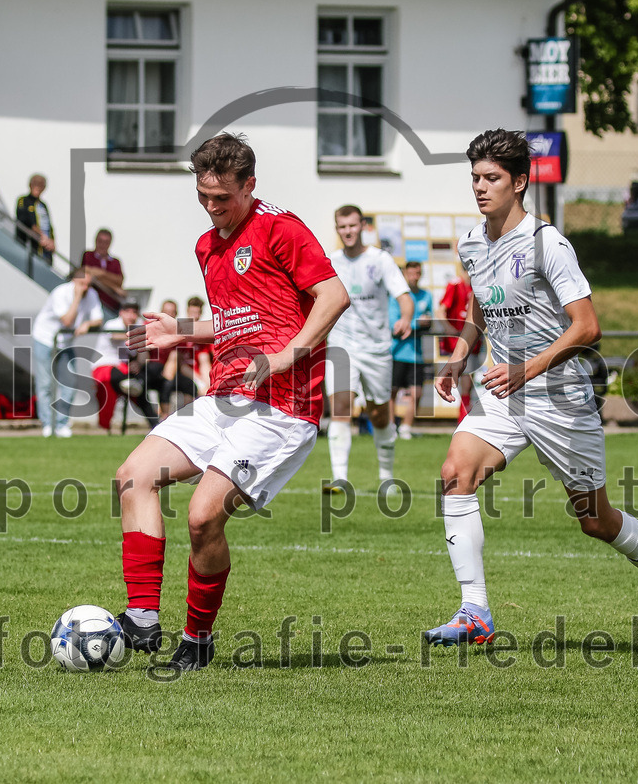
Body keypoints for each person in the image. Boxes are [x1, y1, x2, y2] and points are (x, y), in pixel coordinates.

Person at [425, 128, 638, 649]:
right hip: (502, 392)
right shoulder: (472, 241)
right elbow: (482, 306)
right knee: (454, 475)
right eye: (475, 178)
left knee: (594, 520)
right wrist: (461, 354)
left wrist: (527, 369)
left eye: (492, 179)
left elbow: (587, 326)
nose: (481, 188)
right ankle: (475, 611)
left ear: (520, 182)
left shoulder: (546, 243)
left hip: (559, 398)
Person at [116, 132, 349, 673]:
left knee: (202, 518)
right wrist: (184, 331)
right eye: (203, 197)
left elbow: (333, 296)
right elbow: (240, 317)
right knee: (134, 476)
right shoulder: (207, 245)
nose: (212, 208)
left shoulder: (281, 228)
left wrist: (290, 355)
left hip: (283, 407)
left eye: (223, 198)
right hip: (225, 395)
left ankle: (197, 639)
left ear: (250, 186)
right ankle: (142, 618)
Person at [324, 204, 413, 491]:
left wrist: (406, 318)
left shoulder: (381, 259)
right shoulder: (330, 261)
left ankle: (386, 475)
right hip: (340, 346)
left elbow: (404, 296)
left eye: (352, 225)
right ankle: (339, 478)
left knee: (378, 413)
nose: (348, 231)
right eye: (342, 227)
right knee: (340, 407)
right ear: (337, 229)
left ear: (362, 226)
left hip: (376, 348)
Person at [31, 267, 103, 438]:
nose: (85, 288)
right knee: (45, 384)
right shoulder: (60, 293)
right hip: (45, 339)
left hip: (66, 343)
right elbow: (68, 321)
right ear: (73, 281)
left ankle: (62, 424)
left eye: (88, 284)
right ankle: (48, 424)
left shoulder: (91, 294)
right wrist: (77, 298)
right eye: (81, 284)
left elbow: (98, 318)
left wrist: (88, 324)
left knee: (69, 384)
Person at [90, 300, 159, 433]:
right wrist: (140, 333)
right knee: (116, 384)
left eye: (134, 312)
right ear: (121, 313)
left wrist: (138, 363)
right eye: (127, 311)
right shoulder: (113, 324)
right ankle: (104, 427)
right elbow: (116, 336)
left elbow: (143, 353)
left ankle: (156, 425)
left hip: (123, 368)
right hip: (104, 367)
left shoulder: (138, 325)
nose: (131, 315)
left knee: (142, 391)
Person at [389, 261, 433, 440]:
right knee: (391, 391)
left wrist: (421, 323)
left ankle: (406, 427)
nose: (415, 277)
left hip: (416, 354)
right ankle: (391, 426)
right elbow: (395, 326)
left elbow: (429, 321)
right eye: (411, 273)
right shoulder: (396, 297)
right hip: (396, 352)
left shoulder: (426, 295)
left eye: (418, 273)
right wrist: (416, 324)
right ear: (405, 274)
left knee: (417, 393)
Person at [436, 268, 481, 418]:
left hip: (474, 341)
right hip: (459, 342)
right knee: (466, 381)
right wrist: (450, 329)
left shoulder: (476, 285)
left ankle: (464, 417)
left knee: (469, 382)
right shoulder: (455, 284)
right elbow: (441, 311)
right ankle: (463, 419)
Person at [81, 229, 125, 313]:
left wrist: (101, 273)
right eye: (100, 241)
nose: (102, 245)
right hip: (91, 305)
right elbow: (88, 275)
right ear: (95, 241)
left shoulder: (115, 262)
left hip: (111, 305)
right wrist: (114, 287)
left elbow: (119, 280)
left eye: (106, 242)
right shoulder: (88, 255)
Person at [15, 174, 56, 264]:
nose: (38, 187)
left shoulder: (43, 205)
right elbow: (24, 220)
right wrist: (41, 235)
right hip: (29, 246)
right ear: (30, 184)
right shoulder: (23, 200)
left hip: (45, 249)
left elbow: (50, 227)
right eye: (36, 183)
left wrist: (52, 242)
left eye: (41, 185)